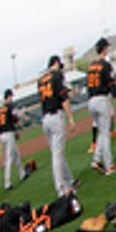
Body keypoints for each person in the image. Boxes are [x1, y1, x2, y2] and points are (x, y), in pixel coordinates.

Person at [37, 55, 76, 195]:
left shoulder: (41, 80)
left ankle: (69, 181)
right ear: (56, 63)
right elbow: (63, 98)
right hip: (55, 116)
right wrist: (71, 118)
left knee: (57, 152)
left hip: (45, 118)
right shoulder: (57, 75)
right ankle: (61, 189)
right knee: (57, 155)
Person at [85, 37, 116, 175]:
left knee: (102, 132)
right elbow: (112, 85)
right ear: (104, 49)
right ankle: (109, 165)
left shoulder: (90, 66)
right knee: (106, 133)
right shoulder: (105, 65)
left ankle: (96, 159)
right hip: (102, 99)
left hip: (91, 101)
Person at [0, 89, 29, 190]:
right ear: (9, 96)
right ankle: (7, 183)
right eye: (11, 96)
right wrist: (21, 127)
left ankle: (22, 173)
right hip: (8, 133)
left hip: (3, 134)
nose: (12, 98)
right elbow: (15, 118)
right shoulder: (10, 106)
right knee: (9, 158)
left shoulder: (0, 109)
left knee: (15, 154)